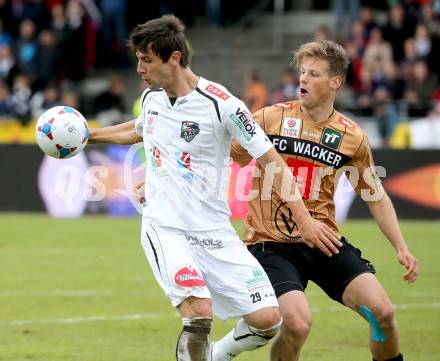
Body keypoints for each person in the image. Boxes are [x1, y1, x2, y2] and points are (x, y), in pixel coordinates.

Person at [88, 16, 341, 361]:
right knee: (199, 312)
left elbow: (272, 161)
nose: (139, 68)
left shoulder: (224, 106)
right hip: (166, 226)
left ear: (174, 59)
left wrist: (304, 220)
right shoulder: (152, 98)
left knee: (268, 320)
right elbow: (140, 128)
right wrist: (90, 135)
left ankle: (215, 356)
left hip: (215, 230)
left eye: (147, 59)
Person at [230, 40, 419, 361]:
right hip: (270, 244)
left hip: (323, 241)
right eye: (302, 72)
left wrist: (400, 246)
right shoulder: (269, 118)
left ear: (335, 83)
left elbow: (375, 196)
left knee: (384, 314)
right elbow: (225, 150)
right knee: (297, 324)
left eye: (313, 74)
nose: (302, 79)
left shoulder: (351, 136)